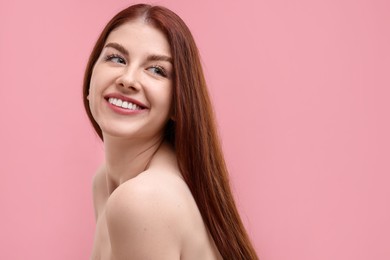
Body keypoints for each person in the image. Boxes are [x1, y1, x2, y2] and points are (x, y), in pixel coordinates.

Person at [83, 3, 259, 260]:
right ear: (90, 78)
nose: (128, 79)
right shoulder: (104, 184)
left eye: (157, 70)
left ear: (179, 104)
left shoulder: (142, 200)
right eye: (116, 58)